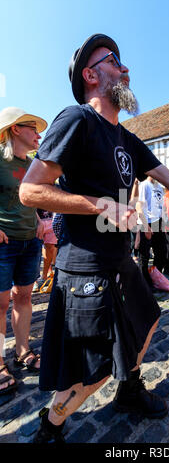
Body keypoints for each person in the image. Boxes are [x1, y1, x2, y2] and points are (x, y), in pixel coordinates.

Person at [19, 33, 169, 443]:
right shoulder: (77, 120)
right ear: (90, 75)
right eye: (114, 60)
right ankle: (50, 426)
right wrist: (100, 205)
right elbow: (30, 190)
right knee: (94, 367)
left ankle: (129, 389)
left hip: (120, 260)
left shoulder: (127, 139)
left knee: (149, 321)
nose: (126, 67)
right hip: (85, 265)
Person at [0, 107, 47, 395]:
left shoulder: (32, 164)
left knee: (24, 296)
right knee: (0, 303)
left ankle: (22, 350)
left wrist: (40, 219)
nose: (38, 134)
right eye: (33, 128)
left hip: (31, 241)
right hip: (3, 244)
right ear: (15, 129)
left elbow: (30, 199)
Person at [136, 176, 166, 288]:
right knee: (144, 256)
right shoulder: (144, 185)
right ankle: (144, 284)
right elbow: (139, 206)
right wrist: (145, 226)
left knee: (162, 253)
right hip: (146, 222)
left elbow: (160, 206)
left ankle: (155, 279)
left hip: (158, 222)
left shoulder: (159, 187)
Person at [33, 209, 58, 292]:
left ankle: (44, 276)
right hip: (34, 220)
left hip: (52, 219)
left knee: (50, 247)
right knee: (35, 251)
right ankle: (34, 281)